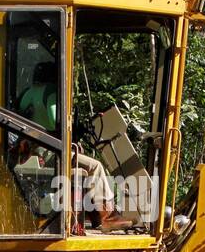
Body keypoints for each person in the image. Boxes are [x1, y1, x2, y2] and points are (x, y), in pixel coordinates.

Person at [16, 63, 132, 232]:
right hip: (51, 152)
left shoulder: (26, 94)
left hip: (33, 152)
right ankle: (109, 217)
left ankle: (96, 219)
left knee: (83, 169)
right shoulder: (50, 92)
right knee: (95, 166)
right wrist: (71, 138)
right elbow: (54, 119)